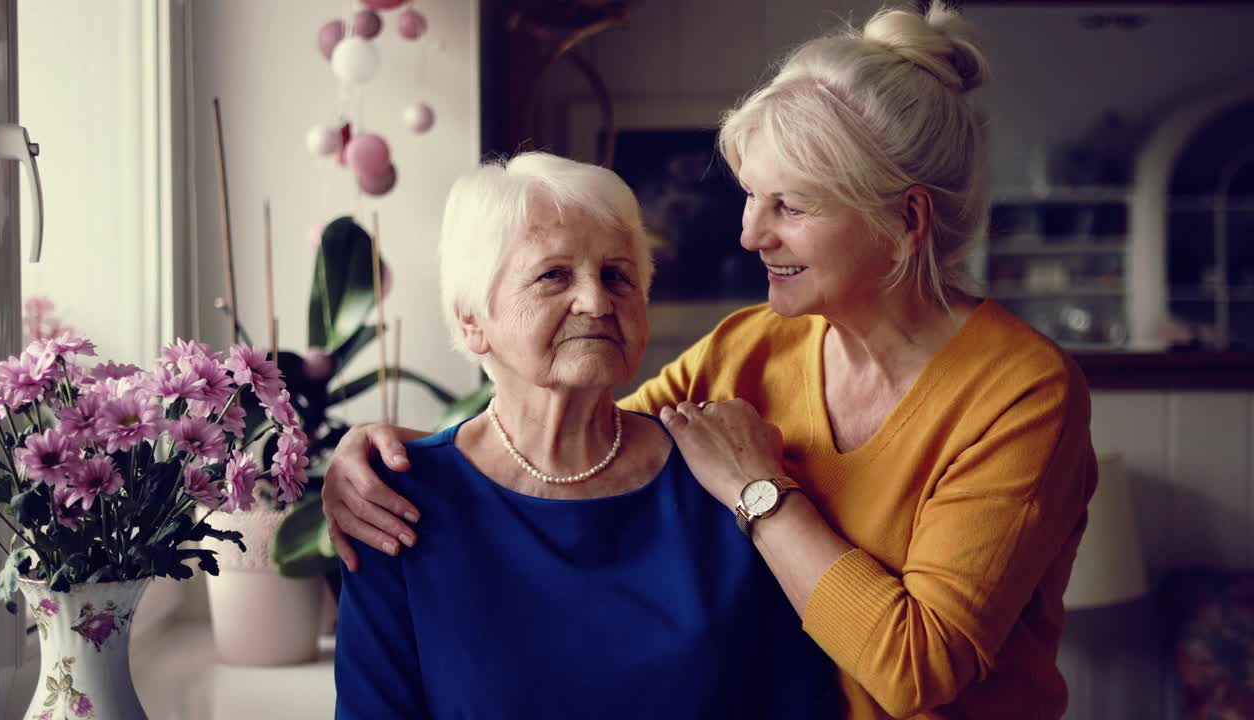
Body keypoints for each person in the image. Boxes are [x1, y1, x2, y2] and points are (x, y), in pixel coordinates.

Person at [324, 3, 1098, 718]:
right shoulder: (750, 346)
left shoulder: (1021, 393)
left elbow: (916, 668)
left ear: (906, 217)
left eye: (789, 206)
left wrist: (761, 491)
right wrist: (391, 457)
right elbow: (577, 439)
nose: (750, 234)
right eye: (751, 199)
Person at [332, 152, 838, 719]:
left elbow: (798, 703)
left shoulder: (724, 479)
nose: (597, 302)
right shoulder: (395, 502)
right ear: (473, 320)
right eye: (553, 275)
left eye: (617, 276)